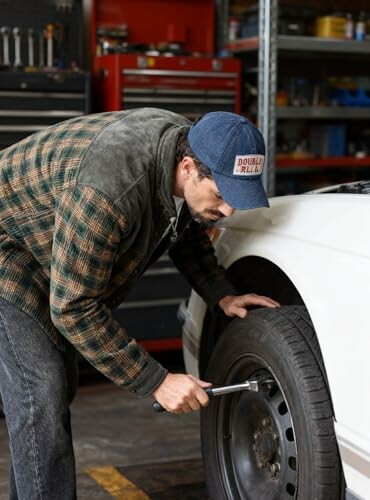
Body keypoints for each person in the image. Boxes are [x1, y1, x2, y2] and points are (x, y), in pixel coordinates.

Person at [0, 108, 279, 499]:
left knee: (48, 398)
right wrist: (157, 381)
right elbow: (74, 307)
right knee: (42, 390)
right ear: (187, 168)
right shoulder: (110, 190)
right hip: (8, 248)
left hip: (51, 241)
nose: (228, 210)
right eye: (220, 194)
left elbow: (185, 226)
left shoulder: (188, 147)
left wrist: (221, 292)